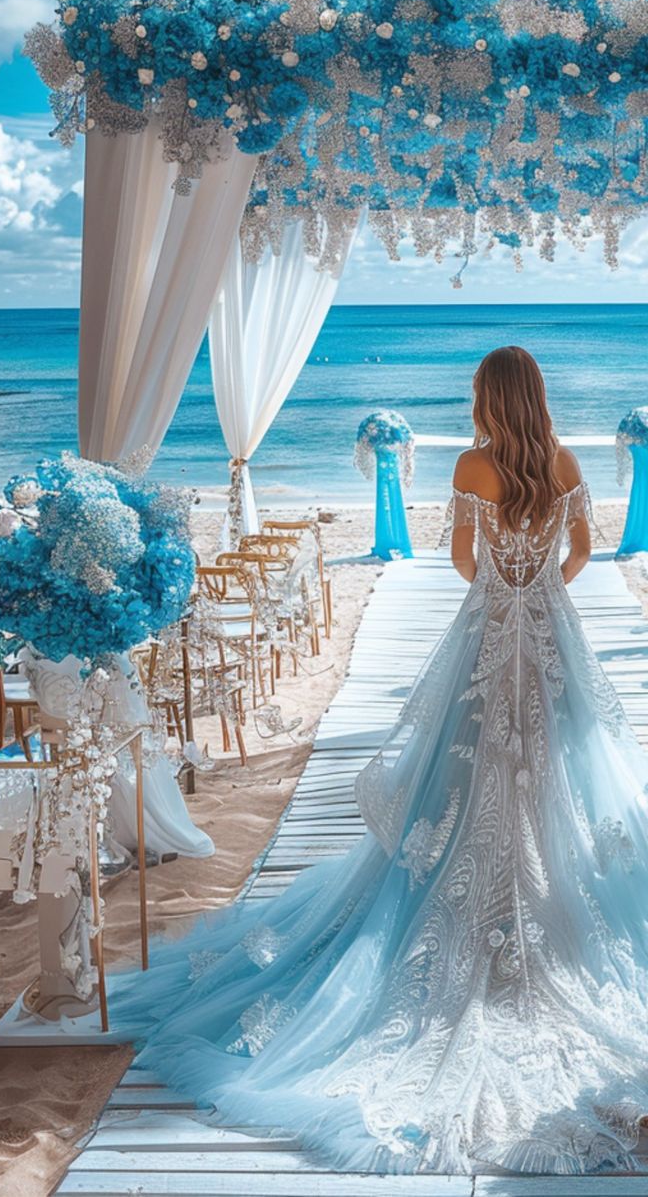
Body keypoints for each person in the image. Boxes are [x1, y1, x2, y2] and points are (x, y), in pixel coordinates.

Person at [112, 346, 648, 1177]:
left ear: (487, 399)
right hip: (549, 646)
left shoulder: (473, 463)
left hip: (488, 640)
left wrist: (499, 592)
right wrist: (544, 588)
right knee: (558, 774)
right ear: (537, 398)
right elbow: (583, 551)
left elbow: (463, 562)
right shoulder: (567, 461)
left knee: (464, 775)